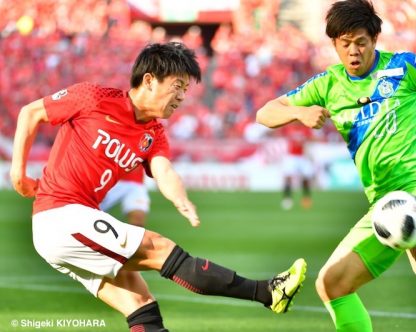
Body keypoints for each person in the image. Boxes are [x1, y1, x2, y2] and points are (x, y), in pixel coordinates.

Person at [10, 42, 307, 332]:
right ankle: (267, 292)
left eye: (186, 90)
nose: (181, 97)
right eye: (177, 86)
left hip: (76, 224)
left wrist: (181, 198)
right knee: (161, 249)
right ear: (149, 80)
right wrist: (18, 175)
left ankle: (267, 294)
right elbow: (31, 112)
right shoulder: (94, 97)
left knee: (142, 308)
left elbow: (163, 170)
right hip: (60, 218)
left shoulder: (154, 134)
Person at [256, 1, 416, 331]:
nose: (353, 51)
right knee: (331, 285)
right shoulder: (327, 85)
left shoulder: (404, 67)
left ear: (374, 39)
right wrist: (297, 113)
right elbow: (266, 112)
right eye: (345, 44)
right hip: (381, 201)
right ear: (335, 45)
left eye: (361, 42)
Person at [280, 122, 315, 210]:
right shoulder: (289, 128)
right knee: (288, 177)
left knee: (306, 178)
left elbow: (310, 139)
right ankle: (287, 198)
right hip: (291, 156)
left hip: (302, 156)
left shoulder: (306, 129)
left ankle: (306, 198)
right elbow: (280, 133)